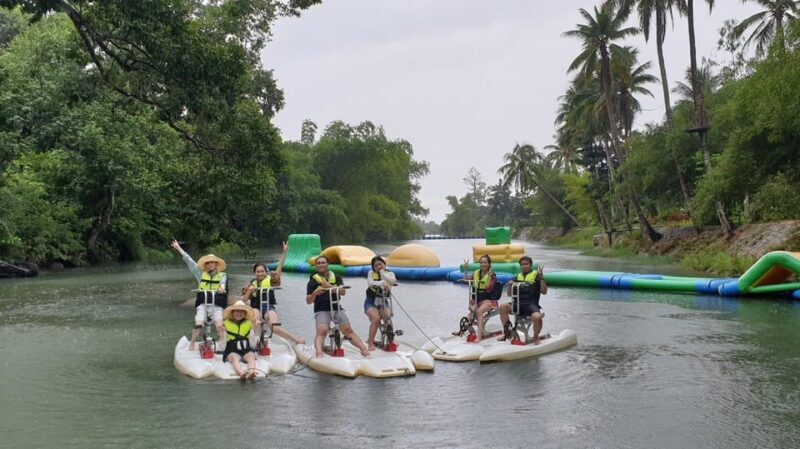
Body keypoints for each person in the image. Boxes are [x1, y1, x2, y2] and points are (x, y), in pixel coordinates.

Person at [241, 242, 305, 345]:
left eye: (262, 271)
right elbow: (244, 301)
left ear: (266, 272)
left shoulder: (271, 280)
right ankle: (252, 343)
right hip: (256, 307)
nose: (260, 273)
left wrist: (284, 253)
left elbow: (279, 269)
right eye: (258, 271)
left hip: (268, 307)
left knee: (275, 327)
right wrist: (249, 292)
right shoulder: (251, 284)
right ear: (254, 272)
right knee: (255, 319)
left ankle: (296, 340)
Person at [306, 255, 370, 358]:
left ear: (327, 264)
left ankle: (364, 350)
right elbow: (308, 301)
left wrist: (329, 287)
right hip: (321, 309)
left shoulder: (337, 277)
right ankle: (318, 353)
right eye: (318, 263)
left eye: (323, 262)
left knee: (347, 330)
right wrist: (315, 294)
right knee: (322, 330)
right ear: (316, 266)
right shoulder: (312, 281)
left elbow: (342, 291)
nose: (321, 265)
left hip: (336, 308)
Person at [170, 240, 228, 351]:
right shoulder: (201, 274)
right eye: (208, 262)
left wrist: (222, 289)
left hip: (216, 304)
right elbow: (189, 261)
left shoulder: (223, 275)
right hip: (203, 303)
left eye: (213, 262)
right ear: (206, 265)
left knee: (219, 325)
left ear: (216, 264)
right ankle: (192, 342)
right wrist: (178, 248)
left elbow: (223, 285)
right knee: (199, 324)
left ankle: (222, 343)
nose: (211, 264)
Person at [498, 256, 548, 345]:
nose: (524, 266)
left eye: (526, 264)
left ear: (531, 265)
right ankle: (507, 333)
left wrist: (542, 278)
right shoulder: (517, 276)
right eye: (522, 265)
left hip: (531, 305)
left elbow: (544, 292)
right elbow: (509, 294)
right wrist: (510, 285)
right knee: (503, 306)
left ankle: (535, 337)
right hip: (518, 304)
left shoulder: (537, 275)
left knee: (537, 317)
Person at [363, 256, 397, 351]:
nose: (378, 266)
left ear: (384, 263)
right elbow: (370, 283)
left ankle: (391, 340)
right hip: (371, 302)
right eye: (376, 266)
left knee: (388, 317)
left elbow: (393, 281)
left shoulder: (390, 273)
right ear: (373, 268)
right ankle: (370, 342)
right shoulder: (371, 273)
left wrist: (382, 273)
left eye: (380, 264)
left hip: (384, 301)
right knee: (376, 319)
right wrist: (381, 282)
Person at [463, 255, 499, 343]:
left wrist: (490, 276)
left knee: (479, 312)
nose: (483, 264)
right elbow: (466, 280)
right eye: (481, 262)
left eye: (485, 262)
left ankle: (479, 337)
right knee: (467, 319)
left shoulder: (492, 275)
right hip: (477, 300)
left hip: (489, 301)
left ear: (489, 264)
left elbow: (488, 288)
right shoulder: (476, 273)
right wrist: (466, 270)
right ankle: (464, 332)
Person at [222, 300, 258, 380]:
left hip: (246, 348)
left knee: (251, 357)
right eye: (237, 311)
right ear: (232, 313)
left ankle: (251, 372)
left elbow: (253, 337)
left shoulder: (249, 323)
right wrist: (221, 332)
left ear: (245, 314)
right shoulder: (225, 323)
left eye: (242, 312)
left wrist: (256, 328)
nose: (239, 313)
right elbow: (222, 339)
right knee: (234, 358)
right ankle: (241, 374)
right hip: (232, 349)